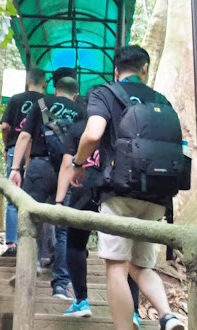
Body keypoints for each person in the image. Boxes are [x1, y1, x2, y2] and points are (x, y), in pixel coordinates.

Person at [71, 46, 185, 330]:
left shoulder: (104, 93)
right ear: (145, 69)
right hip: (157, 194)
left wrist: (78, 163)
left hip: (119, 192)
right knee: (142, 266)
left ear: (116, 70)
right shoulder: (161, 100)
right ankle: (167, 315)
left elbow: (94, 133)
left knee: (117, 268)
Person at [54, 87, 141, 327]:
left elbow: (66, 166)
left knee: (76, 242)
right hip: (110, 189)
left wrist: (60, 202)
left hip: (82, 189)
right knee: (125, 249)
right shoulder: (116, 125)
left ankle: (82, 301)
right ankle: (133, 310)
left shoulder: (75, 130)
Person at [9, 76, 85, 300]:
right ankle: (61, 285)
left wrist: (16, 168)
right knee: (63, 229)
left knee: (32, 219)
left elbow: (24, 136)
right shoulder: (81, 111)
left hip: (40, 166)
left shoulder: (41, 104)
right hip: (69, 170)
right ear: (76, 94)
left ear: (55, 89)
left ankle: (29, 269)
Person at [0, 68, 46, 257]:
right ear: (44, 84)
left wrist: (6, 146)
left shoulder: (15, 99)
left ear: (27, 82)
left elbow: (4, 126)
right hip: (37, 153)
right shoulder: (44, 103)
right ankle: (35, 246)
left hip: (14, 151)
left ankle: (12, 245)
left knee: (13, 198)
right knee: (35, 197)